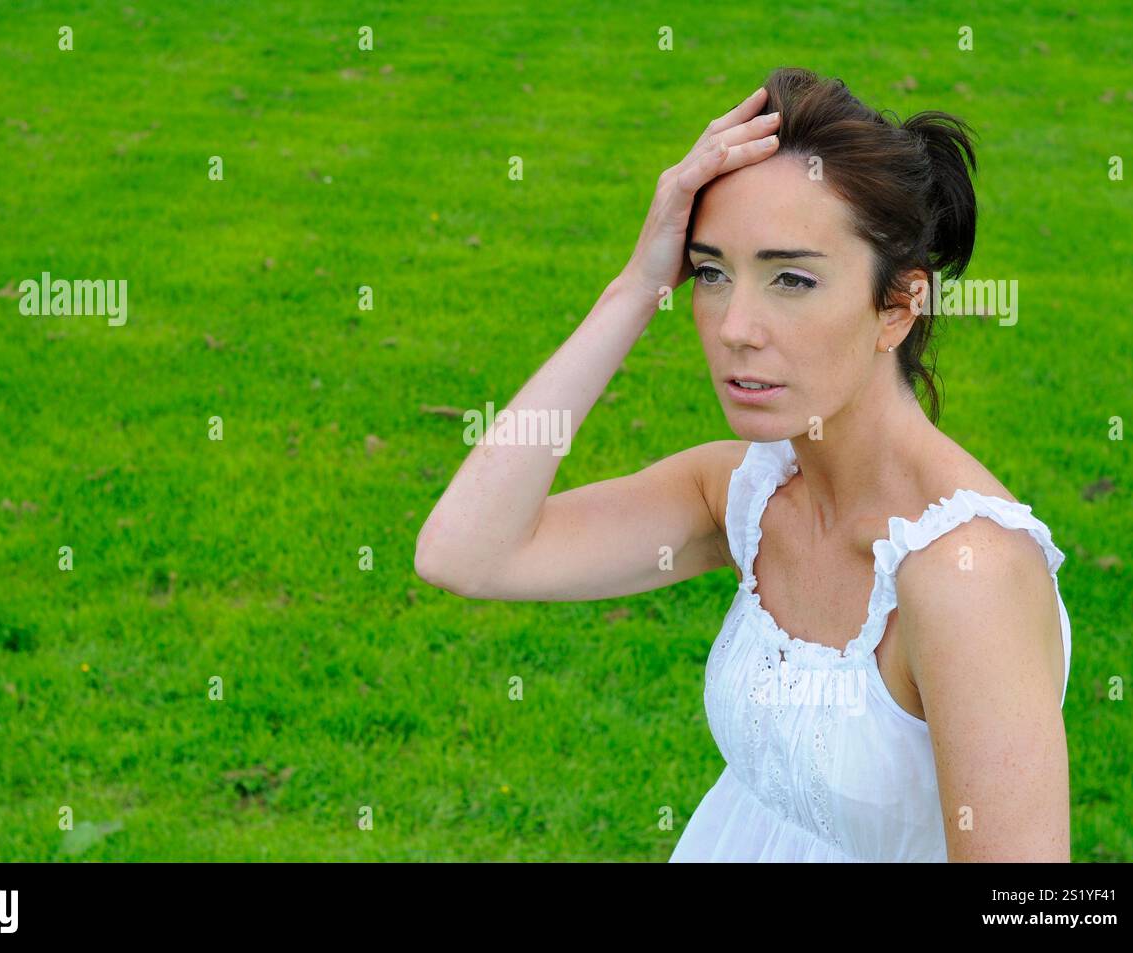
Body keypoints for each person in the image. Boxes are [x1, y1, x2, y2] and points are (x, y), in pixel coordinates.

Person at [415, 67, 1072, 862]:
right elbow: (466, 552)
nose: (735, 327)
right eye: (713, 273)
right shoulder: (748, 494)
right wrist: (636, 284)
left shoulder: (967, 575)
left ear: (899, 306)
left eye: (791, 278)